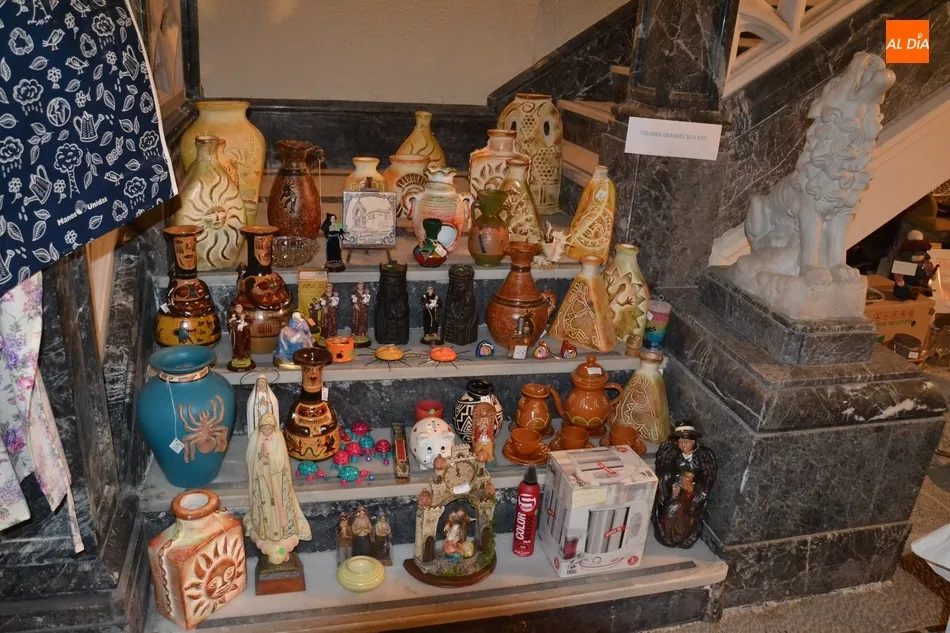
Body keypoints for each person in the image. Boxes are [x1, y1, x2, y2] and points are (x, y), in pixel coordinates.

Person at [244, 413, 312, 565]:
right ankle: (265, 531)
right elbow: (250, 459)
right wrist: (259, 460)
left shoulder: (278, 437)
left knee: (277, 505)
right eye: (264, 428)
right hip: (261, 480)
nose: (267, 431)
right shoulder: (255, 438)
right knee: (264, 505)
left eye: (270, 428)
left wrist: (269, 457)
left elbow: (281, 461)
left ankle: (280, 530)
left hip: (276, 479)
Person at [227, 305, 254, 371]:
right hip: (236, 334)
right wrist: (231, 320)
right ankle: (237, 356)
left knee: (245, 344)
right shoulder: (233, 316)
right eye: (237, 308)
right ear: (235, 309)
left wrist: (246, 324)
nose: (239, 309)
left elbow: (250, 321)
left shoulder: (245, 315)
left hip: (244, 333)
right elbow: (229, 323)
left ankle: (245, 356)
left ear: (242, 308)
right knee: (236, 345)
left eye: (240, 308)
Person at [351, 282, 371, 347]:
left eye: (362, 284)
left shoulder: (366, 292)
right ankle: (356, 334)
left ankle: (363, 333)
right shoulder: (355, 292)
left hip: (364, 309)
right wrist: (355, 305)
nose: (360, 285)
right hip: (357, 309)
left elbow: (367, 303)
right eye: (359, 284)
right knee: (357, 321)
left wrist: (367, 302)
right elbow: (354, 301)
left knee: (364, 321)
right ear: (357, 285)